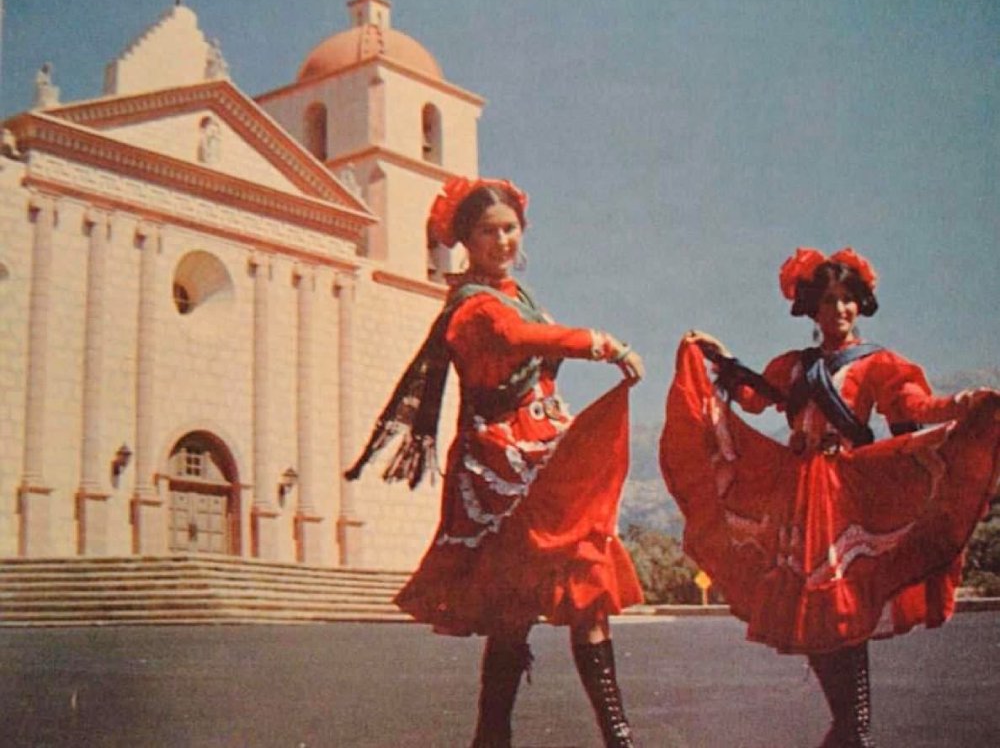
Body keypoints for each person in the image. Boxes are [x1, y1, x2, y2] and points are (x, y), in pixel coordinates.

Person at [346, 176, 646, 748]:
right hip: (502, 469)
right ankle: (492, 737)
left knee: (586, 586)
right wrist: (602, 343)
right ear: (467, 240)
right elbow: (519, 337)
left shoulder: (516, 294)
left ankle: (618, 737)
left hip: (547, 454)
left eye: (509, 228)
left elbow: (532, 334)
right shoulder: (473, 308)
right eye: (488, 231)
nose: (502, 240)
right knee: (512, 611)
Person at [660, 247, 999, 748]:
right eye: (827, 300)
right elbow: (755, 398)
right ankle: (850, 729)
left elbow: (912, 404)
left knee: (841, 608)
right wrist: (720, 358)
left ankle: (852, 728)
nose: (838, 309)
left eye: (846, 300)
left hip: (845, 495)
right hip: (798, 496)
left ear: (859, 304)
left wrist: (961, 403)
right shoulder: (795, 367)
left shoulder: (877, 363)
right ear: (811, 309)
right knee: (816, 612)